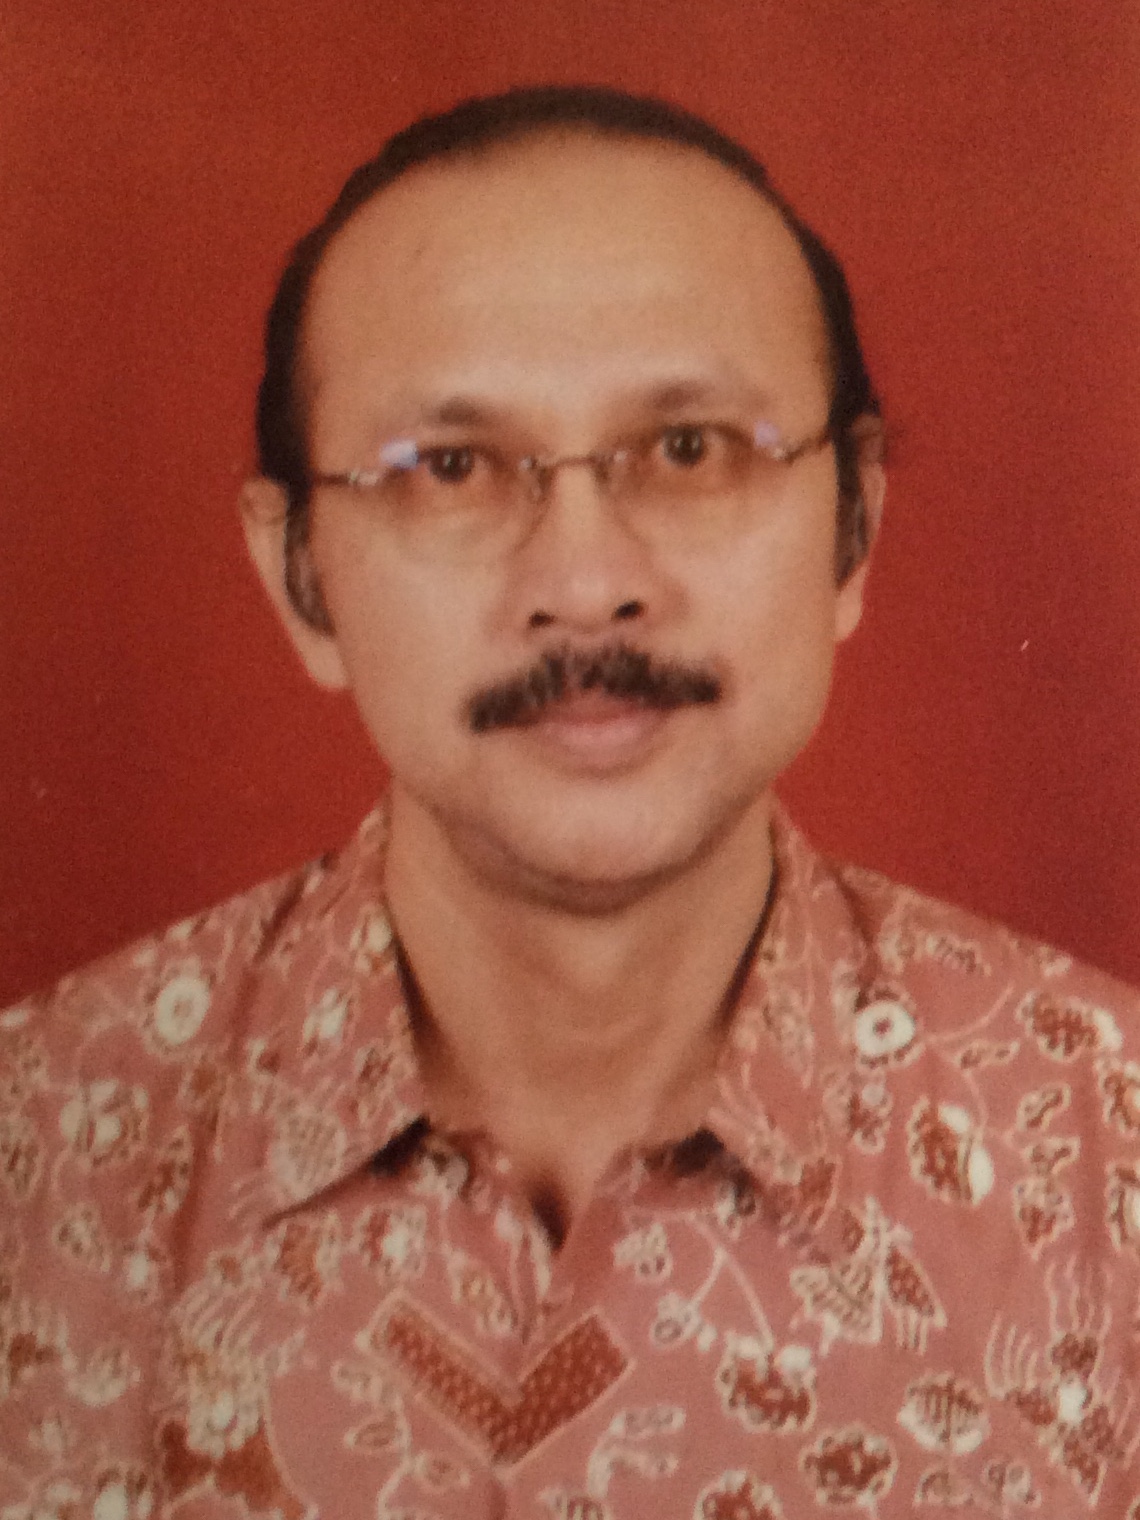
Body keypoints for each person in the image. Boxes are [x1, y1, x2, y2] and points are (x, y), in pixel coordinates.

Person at [2, 85, 1138, 1520]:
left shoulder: (1107, 1156)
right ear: (299, 577)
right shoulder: (37, 1152)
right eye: (452, 469)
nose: (588, 583)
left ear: (853, 527)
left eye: (690, 448)